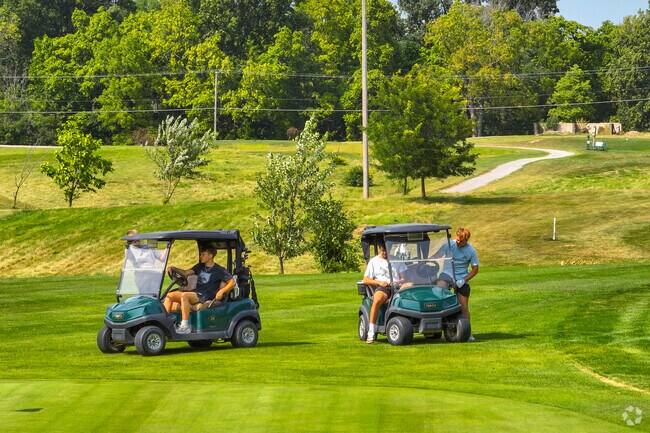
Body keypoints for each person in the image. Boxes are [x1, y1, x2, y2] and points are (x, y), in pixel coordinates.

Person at [164, 244, 235, 334]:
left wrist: (221, 291)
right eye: (201, 254)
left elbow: (232, 282)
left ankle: (185, 326)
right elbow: (185, 272)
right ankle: (165, 323)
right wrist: (174, 268)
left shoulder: (219, 270)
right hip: (197, 293)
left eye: (203, 254)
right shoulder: (200, 267)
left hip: (206, 295)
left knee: (184, 296)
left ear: (210, 256)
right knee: (170, 295)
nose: (200, 256)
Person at [362, 240, 406, 344]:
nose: (385, 253)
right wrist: (379, 282)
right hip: (383, 287)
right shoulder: (374, 261)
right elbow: (366, 279)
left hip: (397, 286)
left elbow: (404, 278)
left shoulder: (397, 260)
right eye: (382, 250)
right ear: (380, 248)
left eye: (386, 251)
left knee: (411, 285)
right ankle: (371, 330)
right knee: (377, 299)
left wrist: (399, 281)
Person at [439, 227, 479, 341]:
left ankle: (468, 333)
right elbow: (437, 255)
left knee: (463, 306)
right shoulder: (449, 244)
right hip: (447, 274)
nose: (458, 242)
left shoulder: (471, 251)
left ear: (466, 240)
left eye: (460, 241)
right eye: (457, 239)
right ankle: (440, 324)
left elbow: (475, 269)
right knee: (439, 291)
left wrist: (464, 280)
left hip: (461, 277)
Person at [125, 229, 167, 294]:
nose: (136, 239)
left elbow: (162, 258)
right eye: (133, 238)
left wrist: (168, 246)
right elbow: (129, 253)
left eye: (137, 237)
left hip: (155, 275)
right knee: (145, 297)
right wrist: (130, 243)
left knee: (155, 297)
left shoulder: (148, 245)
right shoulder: (130, 249)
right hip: (142, 277)